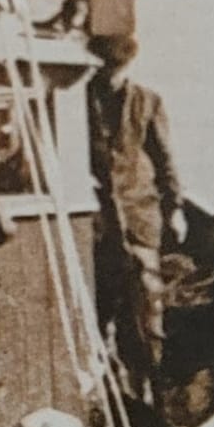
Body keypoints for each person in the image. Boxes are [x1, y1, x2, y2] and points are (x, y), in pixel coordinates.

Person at [87, 32, 187, 396]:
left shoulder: (148, 102)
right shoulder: (79, 100)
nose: (111, 77)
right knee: (103, 298)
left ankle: (150, 384)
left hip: (140, 215)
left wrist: (175, 208)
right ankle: (107, 380)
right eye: (106, 69)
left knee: (147, 301)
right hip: (98, 221)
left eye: (118, 69)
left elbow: (165, 160)